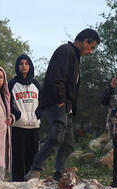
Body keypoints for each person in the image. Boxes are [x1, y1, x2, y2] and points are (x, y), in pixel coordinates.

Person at [24, 28, 100, 181]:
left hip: (67, 107)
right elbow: (56, 77)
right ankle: (35, 169)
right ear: (85, 41)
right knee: (57, 134)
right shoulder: (65, 51)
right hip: (55, 102)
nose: (91, 52)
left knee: (69, 143)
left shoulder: (75, 56)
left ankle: (60, 175)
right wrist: (60, 101)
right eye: (92, 48)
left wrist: (69, 106)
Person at [8, 54, 41, 182]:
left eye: (26, 63)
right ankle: (17, 183)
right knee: (18, 157)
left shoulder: (36, 84)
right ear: (17, 66)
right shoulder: (12, 84)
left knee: (32, 157)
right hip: (18, 126)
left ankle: (31, 183)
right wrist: (17, 115)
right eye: (21, 63)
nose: (24, 66)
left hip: (34, 126)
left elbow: (42, 102)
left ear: (30, 66)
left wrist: (37, 115)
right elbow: (7, 103)